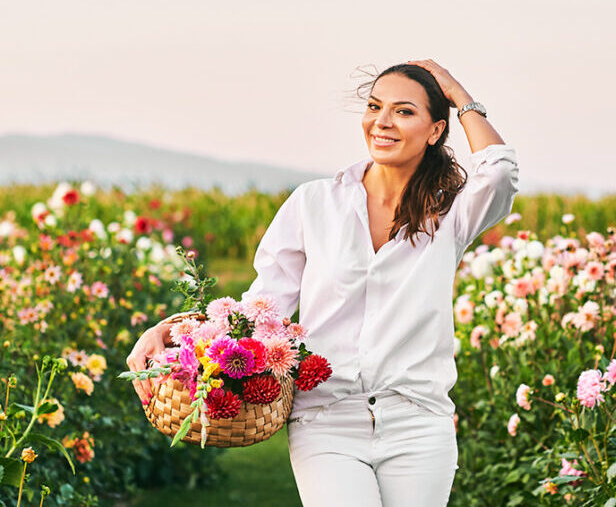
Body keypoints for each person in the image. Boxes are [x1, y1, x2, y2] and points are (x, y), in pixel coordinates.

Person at [127, 58, 519, 506]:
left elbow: (501, 172)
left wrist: (455, 91)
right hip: (326, 421)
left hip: (419, 422)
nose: (382, 122)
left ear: (435, 130)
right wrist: (172, 332)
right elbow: (259, 311)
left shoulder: (451, 213)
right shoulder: (314, 204)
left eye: (404, 111)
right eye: (374, 106)